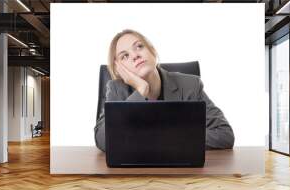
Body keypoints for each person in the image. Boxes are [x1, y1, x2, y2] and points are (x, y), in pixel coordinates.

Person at [94, 29, 234, 151]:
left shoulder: (190, 85)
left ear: (152, 51)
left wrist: (165, 138)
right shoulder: (116, 90)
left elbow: (224, 134)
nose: (135, 56)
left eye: (139, 46)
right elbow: (103, 140)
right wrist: (141, 91)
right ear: (119, 69)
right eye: (125, 56)